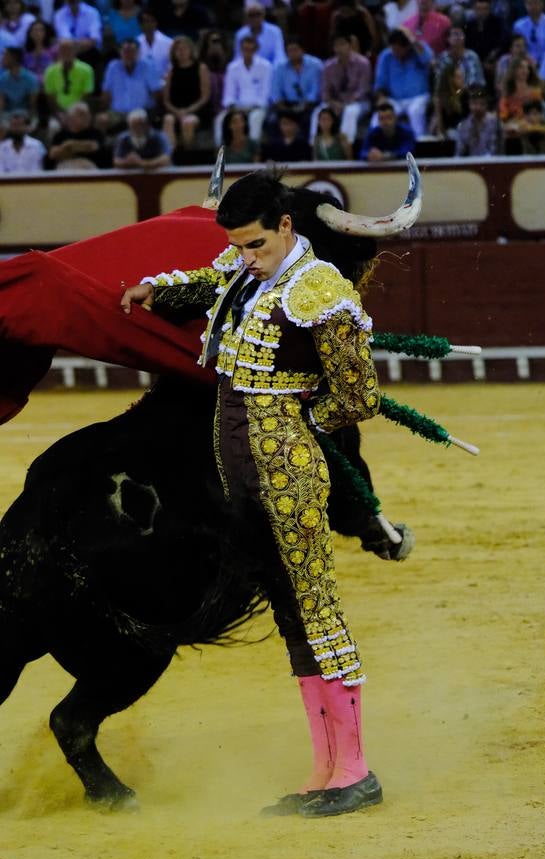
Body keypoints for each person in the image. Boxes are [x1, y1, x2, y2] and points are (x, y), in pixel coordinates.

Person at [120, 168, 391, 818]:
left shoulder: (319, 288)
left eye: (255, 245)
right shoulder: (248, 271)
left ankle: (354, 769)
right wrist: (156, 291)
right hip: (241, 467)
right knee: (290, 612)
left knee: (317, 606)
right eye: (239, 246)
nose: (245, 259)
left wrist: (302, 423)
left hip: (289, 472)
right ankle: (325, 769)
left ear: (287, 227)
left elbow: (360, 395)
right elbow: (211, 280)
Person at [373, 26, 433, 138]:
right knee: (380, 114)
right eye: (393, 48)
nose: (395, 52)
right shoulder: (386, 56)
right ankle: (376, 145)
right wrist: (381, 98)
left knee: (415, 111)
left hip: (419, 97)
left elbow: (430, 61)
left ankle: (419, 145)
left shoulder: (419, 50)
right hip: (395, 100)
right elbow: (380, 83)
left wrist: (413, 40)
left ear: (407, 46)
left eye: (399, 49)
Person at [96, 38, 162, 135]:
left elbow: (157, 93)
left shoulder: (148, 66)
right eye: (125, 51)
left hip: (141, 111)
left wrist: (153, 112)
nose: (128, 54)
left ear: (139, 52)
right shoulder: (113, 66)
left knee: (137, 120)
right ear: (120, 52)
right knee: (101, 120)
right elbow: (106, 92)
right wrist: (104, 109)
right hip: (117, 112)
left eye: (132, 51)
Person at [218, 34, 272, 146]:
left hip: (257, 107)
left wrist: (252, 107)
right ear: (241, 49)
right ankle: (220, 152)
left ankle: (253, 152)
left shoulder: (266, 66)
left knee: (254, 119)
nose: (248, 52)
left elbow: (265, 94)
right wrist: (235, 107)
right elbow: (229, 94)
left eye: (251, 49)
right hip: (237, 107)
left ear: (256, 49)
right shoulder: (232, 67)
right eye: (245, 49)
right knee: (220, 119)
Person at [318, 32, 372, 143]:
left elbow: (363, 90)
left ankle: (347, 146)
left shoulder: (363, 63)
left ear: (350, 45)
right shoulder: (328, 66)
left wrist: (344, 104)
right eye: (336, 45)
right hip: (336, 102)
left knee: (350, 112)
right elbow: (325, 92)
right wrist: (333, 103)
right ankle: (316, 147)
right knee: (318, 112)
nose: (339, 48)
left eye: (342, 44)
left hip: (358, 102)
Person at [162, 35, 210, 151]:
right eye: (178, 49)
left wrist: (188, 111)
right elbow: (166, 100)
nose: (181, 52)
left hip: (197, 110)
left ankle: (187, 157)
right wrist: (177, 111)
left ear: (191, 50)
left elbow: (205, 96)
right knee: (168, 120)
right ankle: (170, 158)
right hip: (176, 110)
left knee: (187, 122)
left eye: (184, 48)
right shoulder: (171, 71)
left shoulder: (201, 68)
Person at [42, 37, 94, 125]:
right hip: (59, 112)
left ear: (75, 51)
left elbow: (86, 96)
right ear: (59, 52)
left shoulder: (87, 70)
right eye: (63, 50)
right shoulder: (50, 71)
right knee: (53, 127)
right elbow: (50, 98)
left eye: (69, 49)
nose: (66, 52)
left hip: (80, 110)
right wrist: (59, 114)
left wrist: (73, 114)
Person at [48, 99, 103, 169]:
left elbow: (93, 147)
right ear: (71, 118)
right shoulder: (60, 135)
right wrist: (79, 147)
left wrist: (69, 145)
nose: (87, 117)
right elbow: (53, 154)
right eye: (82, 114)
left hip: (89, 169)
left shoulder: (96, 133)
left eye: (88, 114)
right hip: (65, 169)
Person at [498, 57, 543, 136]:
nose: (525, 70)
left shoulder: (535, 93)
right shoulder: (507, 94)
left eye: (527, 68)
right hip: (511, 128)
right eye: (521, 67)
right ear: (514, 71)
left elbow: (539, 114)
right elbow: (503, 115)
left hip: (532, 130)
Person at [234, 2, 286, 67]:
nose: (255, 18)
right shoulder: (240, 34)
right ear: (246, 17)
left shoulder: (275, 31)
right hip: (248, 71)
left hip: (271, 70)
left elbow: (279, 56)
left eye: (258, 14)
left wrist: (269, 71)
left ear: (263, 15)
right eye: (251, 15)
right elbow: (238, 57)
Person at [455, 85, 502, 155]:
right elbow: (459, 154)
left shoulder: (495, 124)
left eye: (482, 104)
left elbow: (497, 152)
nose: (478, 107)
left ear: (486, 105)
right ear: (469, 104)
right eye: (474, 104)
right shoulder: (463, 126)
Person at [513, 0, 545, 66]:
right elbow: (517, 48)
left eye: (536, 3)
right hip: (525, 64)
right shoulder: (518, 25)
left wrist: (541, 61)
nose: (533, 7)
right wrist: (528, 60)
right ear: (525, 5)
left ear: (542, 4)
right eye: (529, 3)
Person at [431, 60, 469, 136]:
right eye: (459, 77)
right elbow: (438, 130)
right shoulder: (441, 99)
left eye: (462, 77)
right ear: (450, 80)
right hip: (450, 134)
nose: (462, 80)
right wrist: (437, 110)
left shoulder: (466, 95)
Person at [136, 9, 173, 84]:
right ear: (140, 24)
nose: (149, 24)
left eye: (152, 21)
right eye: (145, 21)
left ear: (156, 22)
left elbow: (172, 65)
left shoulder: (169, 42)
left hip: (165, 82)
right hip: (141, 83)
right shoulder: (136, 43)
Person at [23, 18, 57, 84]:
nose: (37, 33)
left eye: (41, 30)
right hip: (30, 86)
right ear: (30, 33)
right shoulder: (24, 52)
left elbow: (57, 70)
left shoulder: (54, 50)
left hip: (49, 84)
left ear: (46, 33)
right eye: (35, 30)